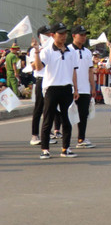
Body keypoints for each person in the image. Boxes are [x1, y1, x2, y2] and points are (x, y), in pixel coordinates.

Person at [34, 22, 78, 159]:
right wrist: (36, 52)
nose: (63, 36)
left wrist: (75, 88)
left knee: (67, 120)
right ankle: (45, 149)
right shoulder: (47, 51)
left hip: (66, 88)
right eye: (61, 33)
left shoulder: (71, 52)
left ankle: (66, 148)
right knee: (47, 119)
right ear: (53, 35)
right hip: (51, 88)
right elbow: (38, 67)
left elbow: (73, 71)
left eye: (65, 33)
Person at [68, 25, 97, 148]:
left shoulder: (87, 52)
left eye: (85, 35)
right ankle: (66, 140)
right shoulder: (68, 49)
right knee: (69, 114)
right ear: (74, 35)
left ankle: (81, 138)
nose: (84, 37)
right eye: (81, 35)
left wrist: (93, 87)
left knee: (83, 114)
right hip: (70, 88)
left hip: (85, 88)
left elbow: (90, 71)